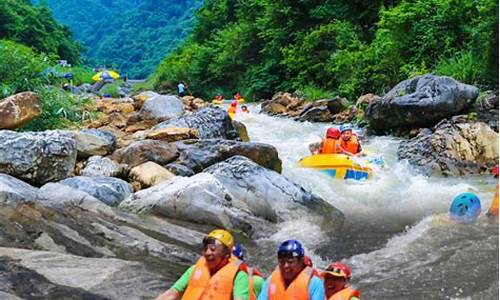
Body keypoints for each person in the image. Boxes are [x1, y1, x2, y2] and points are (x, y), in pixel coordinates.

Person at [155, 229, 249, 300]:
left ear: (226, 254)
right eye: (205, 249)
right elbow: (172, 294)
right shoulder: (194, 270)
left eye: (213, 249)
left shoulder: (239, 277)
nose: (207, 253)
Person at [257, 239, 324, 300]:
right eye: (282, 262)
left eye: (290, 262)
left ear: (301, 261)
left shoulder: (314, 283)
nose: (286, 266)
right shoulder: (270, 280)